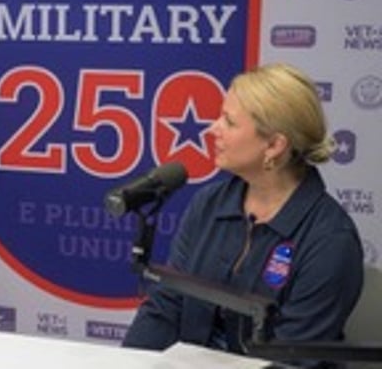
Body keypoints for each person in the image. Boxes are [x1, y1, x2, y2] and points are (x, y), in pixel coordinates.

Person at [123, 63, 363, 356]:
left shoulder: (330, 240)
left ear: (274, 145)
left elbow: (293, 359)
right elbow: (166, 306)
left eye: (229, 122)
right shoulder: (209, 203)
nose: (212, 129)